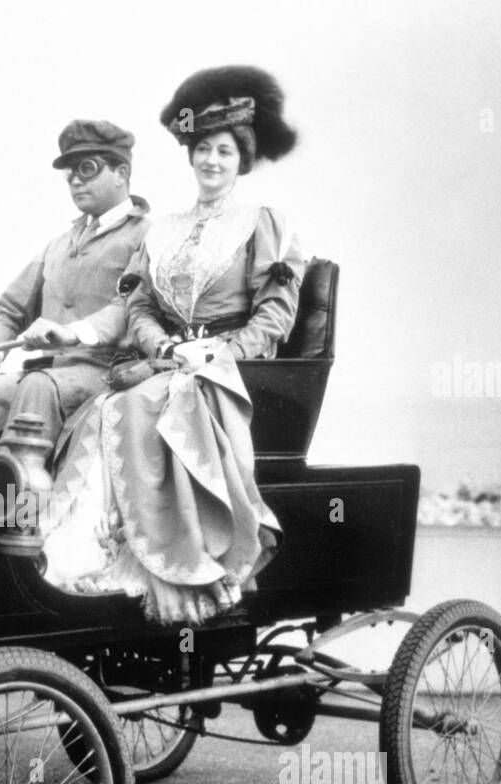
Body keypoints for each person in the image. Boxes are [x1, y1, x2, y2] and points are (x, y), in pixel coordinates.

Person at [38, 66, 307, 625]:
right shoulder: (163, 228)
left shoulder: (264, 223)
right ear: (191, 157)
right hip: (164, 362)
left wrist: (212, 355)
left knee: (138, 404)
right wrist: (162, 348)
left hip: (227, 371)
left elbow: (275, 317)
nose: (212, 161)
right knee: (104, 407)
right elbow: (138, 306)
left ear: (242, 161)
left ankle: (173, 568)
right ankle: (95, 558)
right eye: (203, 149)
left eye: (225, 153)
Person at [0, 120, 150, 469]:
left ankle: (11, 506)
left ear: (121, 172)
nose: (76, 180)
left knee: (37, 387)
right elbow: (8, 308)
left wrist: (72, 332)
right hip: (46, 376)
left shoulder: (146, 237)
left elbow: (129, 306)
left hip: (107, 375)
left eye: (87, 168)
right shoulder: (58, 245)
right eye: (69, 172)